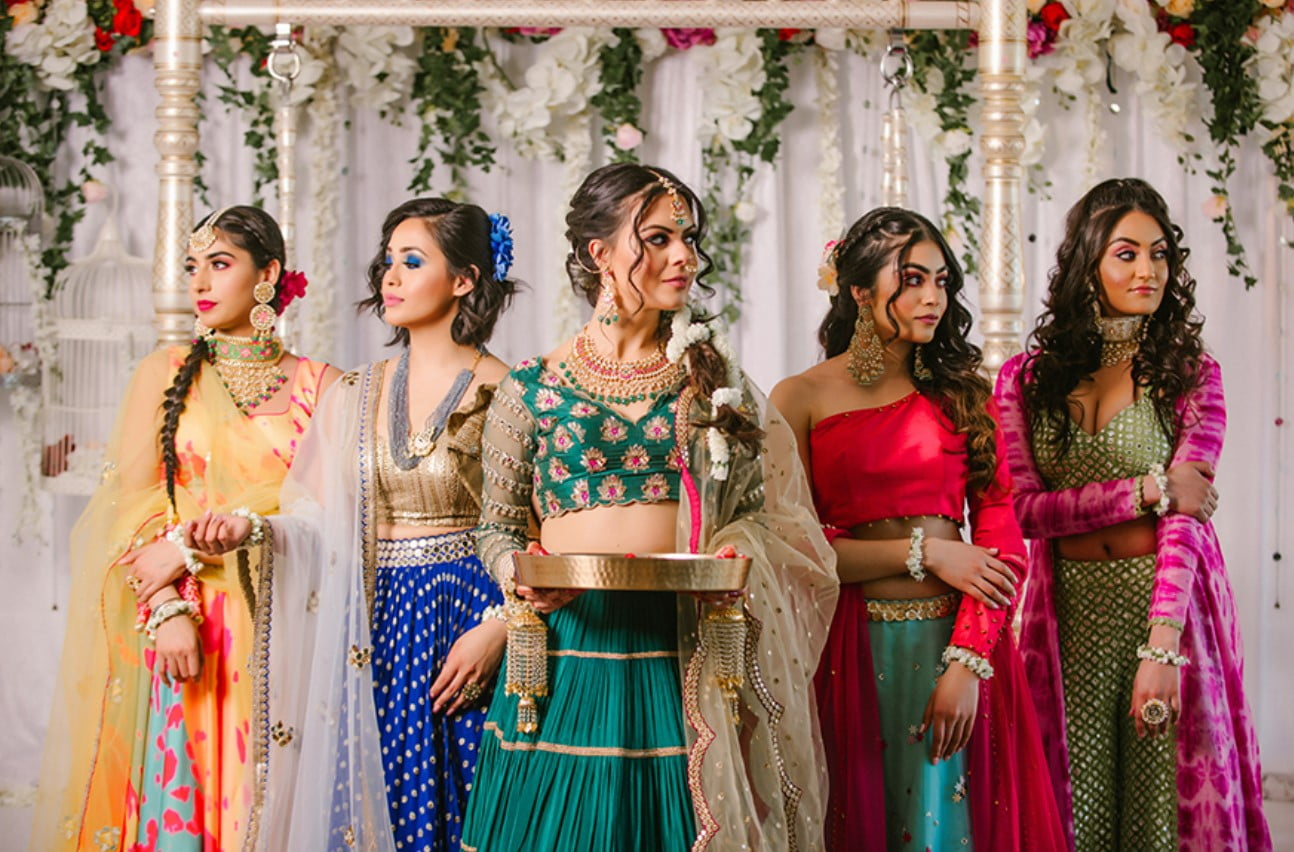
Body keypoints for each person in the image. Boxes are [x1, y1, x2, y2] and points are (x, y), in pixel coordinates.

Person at [458, 163, 838, 850]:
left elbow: (772, 515)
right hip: (571, 655)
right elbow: (498, 524)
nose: (684, 257)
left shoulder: (716, 384)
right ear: (598, 254)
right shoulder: (532, 387)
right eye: (658, 239)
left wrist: (739, 550)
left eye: (687, 238)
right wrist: (516, 569)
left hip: (682, 656)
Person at [190, 198, 517, 851]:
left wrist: (500, 629)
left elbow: (534, 532)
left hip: (466, 624)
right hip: (375, 624)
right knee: (368, 806)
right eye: (388, 260)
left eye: (412, 261)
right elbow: (311, 517)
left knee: (463, 802)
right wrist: (254, 531)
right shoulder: (353, 392)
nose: (389, 277)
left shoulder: (508, 391)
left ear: (465, 280)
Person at [29, 206, 339, 851]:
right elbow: (130, 506)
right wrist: (166, 605)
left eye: (219, 264)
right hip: (192, 625)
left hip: (287, 624)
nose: (199, 281)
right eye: (192, 266)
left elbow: (332, 515)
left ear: (268, 275)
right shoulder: (166, 372)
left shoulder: (322, 386)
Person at [773, 207, 1065, 850]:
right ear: (858, 291)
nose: (932, 296)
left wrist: (967, 664)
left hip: (960, 646)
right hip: (850, 653)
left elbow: (1000, 536)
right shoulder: (800, 398)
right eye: (911, 279)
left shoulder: (962, 392)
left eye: (941, 280)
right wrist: (927, 551)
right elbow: (795, 551)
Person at [995, 178, 1271, 850]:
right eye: (1126, 253)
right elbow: (1030, 513)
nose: (1147, 270)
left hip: (1168, 609)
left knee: (1161, 815)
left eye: (1159, 254)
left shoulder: (1188, 372)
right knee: (1074, 810)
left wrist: (1162, 646)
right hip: (1067, 616)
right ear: (1089, 261)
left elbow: (1186, 519)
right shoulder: (1026, 380)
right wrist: (1148, 488)